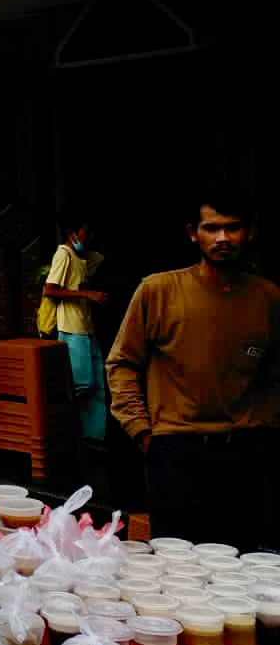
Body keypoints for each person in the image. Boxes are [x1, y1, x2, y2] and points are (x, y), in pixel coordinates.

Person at [107, 190, 280, 552]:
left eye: (232, 228)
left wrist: (265, 428)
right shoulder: (159, 290)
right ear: (192, 233)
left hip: (245, 451)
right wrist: (142, 431)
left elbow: (271, 375)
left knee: (238, 563)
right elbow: (122, 363)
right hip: (175, 449)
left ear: (249, 233)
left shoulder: (268, 297)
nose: (222, 238)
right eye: (211, 228)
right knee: (176, 565)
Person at [43, 212, 109, 442]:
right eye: (85, 232)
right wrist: (86, 293)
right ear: (73, 234)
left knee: (97, 385)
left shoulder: (79, 257)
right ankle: (63, 432)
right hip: (71, 329)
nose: (89, 237)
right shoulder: (63, 254)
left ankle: (91, 437)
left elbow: (98, 258)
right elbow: (49, 289)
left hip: (86, 328)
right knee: (81, 383)